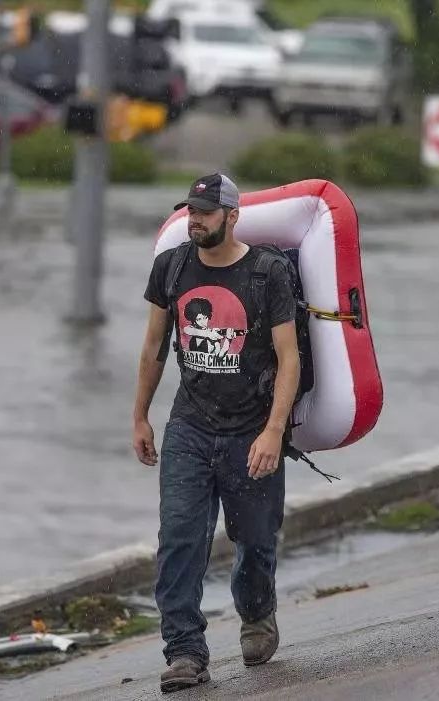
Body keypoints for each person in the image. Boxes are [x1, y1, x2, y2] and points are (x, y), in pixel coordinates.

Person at [133, 173, 300, 693]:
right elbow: (154, 347)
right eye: (190, 212)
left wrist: (274, 431)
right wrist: (140, 415)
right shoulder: (172, 266)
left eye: (206, 212)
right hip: (190, 425)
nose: (195, 221)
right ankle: (184, 651)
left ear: (232, 216)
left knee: (254, 540)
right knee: (179, 539)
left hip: (252, 427)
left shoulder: (267, 271)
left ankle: (257, 612)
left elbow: (288, 357)